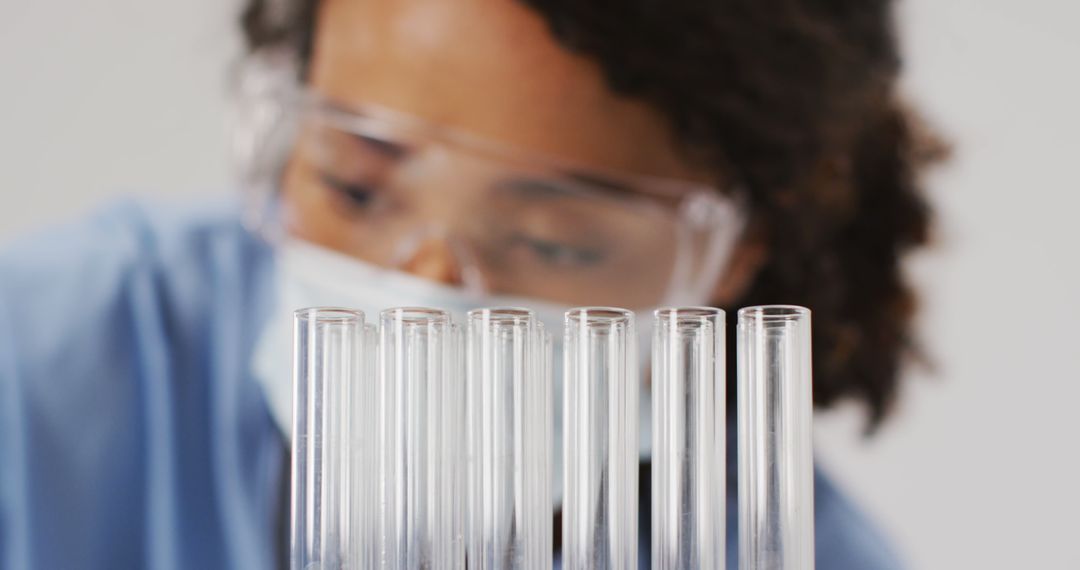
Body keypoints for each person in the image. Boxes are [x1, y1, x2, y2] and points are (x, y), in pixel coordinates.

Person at [0, 0, 938, 568]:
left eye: (557, 242)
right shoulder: (42, 370)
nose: (425, 292)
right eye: (355, 187)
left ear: (732, 255)